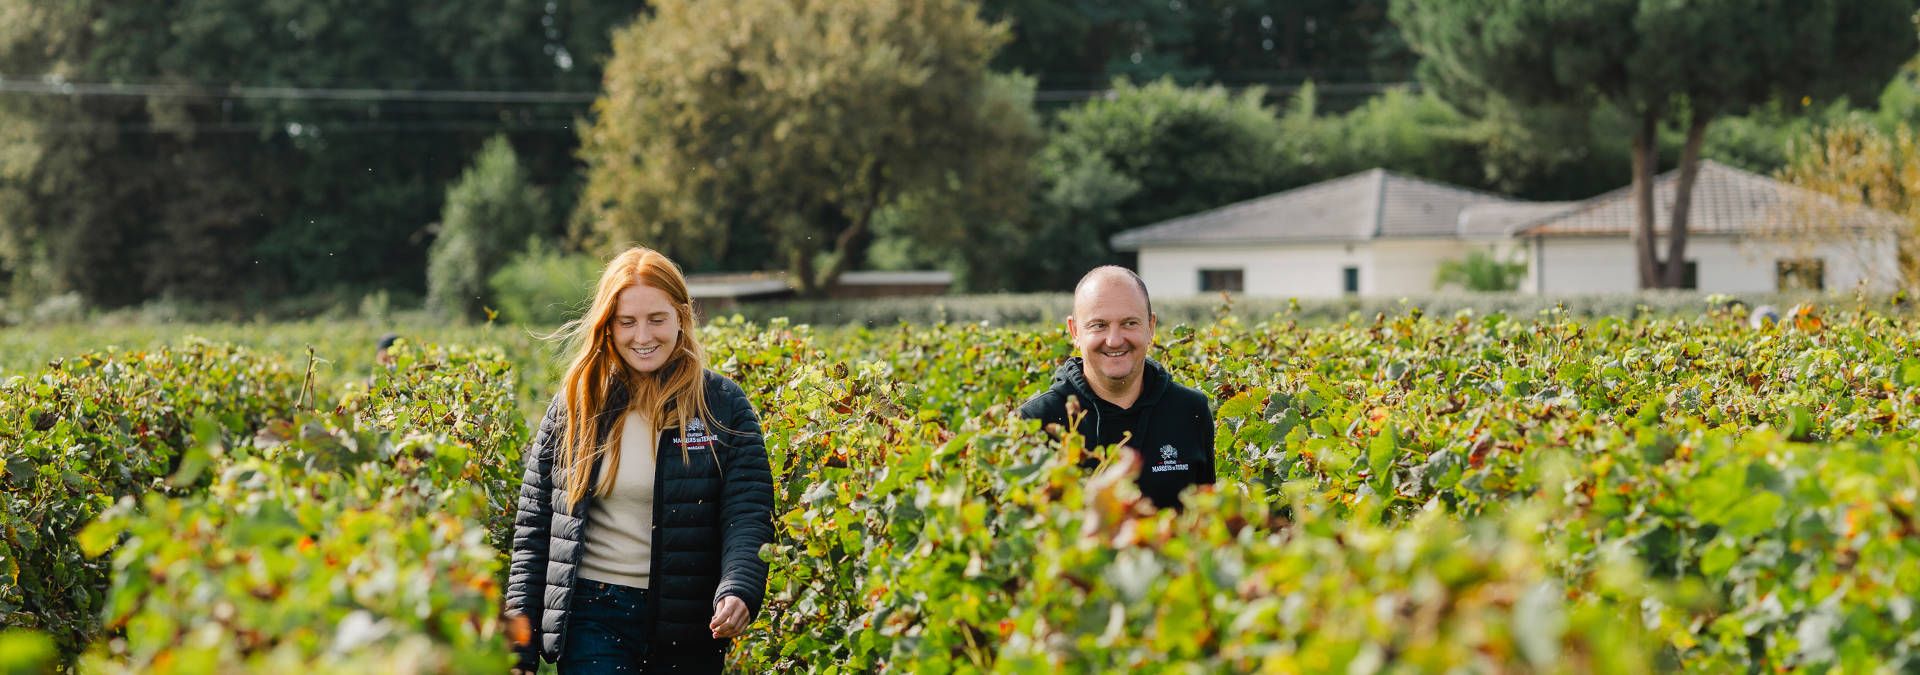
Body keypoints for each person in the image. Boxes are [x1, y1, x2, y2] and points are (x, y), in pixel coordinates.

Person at [505, 246, 775, 674]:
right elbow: (535, 530)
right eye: (627, 322)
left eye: (657, 319)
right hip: (592, 617)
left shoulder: (723, 406)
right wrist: (519, 645)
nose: (643, 336)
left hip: (685, 625)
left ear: (682, 317)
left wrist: (739, 588)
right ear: (608, 327)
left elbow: (748, 513)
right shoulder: (576, 407)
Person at [1017, 266, 1215, 509]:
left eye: (1129, 323)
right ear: (1074, 331)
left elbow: (1208, 523)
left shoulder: (1190, 411)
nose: (1114, 340)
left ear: (1150, 327)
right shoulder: (1035, 420)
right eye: (1098, 325)